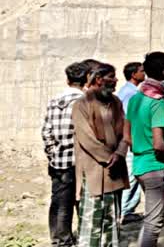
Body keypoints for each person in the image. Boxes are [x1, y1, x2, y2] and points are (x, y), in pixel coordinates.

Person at [124, 51, 164, 247]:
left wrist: (141, 149)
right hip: (154, 166)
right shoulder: (157, 102)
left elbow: (127, 136)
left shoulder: (136, 98)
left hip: (140, 163)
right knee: (154, 221)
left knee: (152, 217)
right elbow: (159, 145)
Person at [72, 64, 129, 247]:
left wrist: (119, 153)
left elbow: (125, 133)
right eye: (112, 77)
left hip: (115, 169)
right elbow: (86, 137)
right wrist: (108, 157)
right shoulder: (82, 104)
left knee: (112, 220)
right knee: (92, 221)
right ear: (99, 80)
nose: (116, 81)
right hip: (93, 169)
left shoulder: (116, 102)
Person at [42, 61, 88, 247]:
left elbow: (46, 132)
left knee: (60, 202)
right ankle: (85, 236)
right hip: (80, 160)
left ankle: (61, 240)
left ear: (68, 79)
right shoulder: (85, 101)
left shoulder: (55, 101)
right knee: (83, 202)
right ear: (85, 79)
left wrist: (53, 153)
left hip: (59, 161)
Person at [116, 62, 145, 225]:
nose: (144, 73)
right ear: (134, 74)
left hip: (130, 140)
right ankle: (125, 211)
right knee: (132, 176)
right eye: (141, 71)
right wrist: (132, 141)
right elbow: (128, 119)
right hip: (130, 141)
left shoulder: (130, 91)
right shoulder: (130, 93)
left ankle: (127, 210)